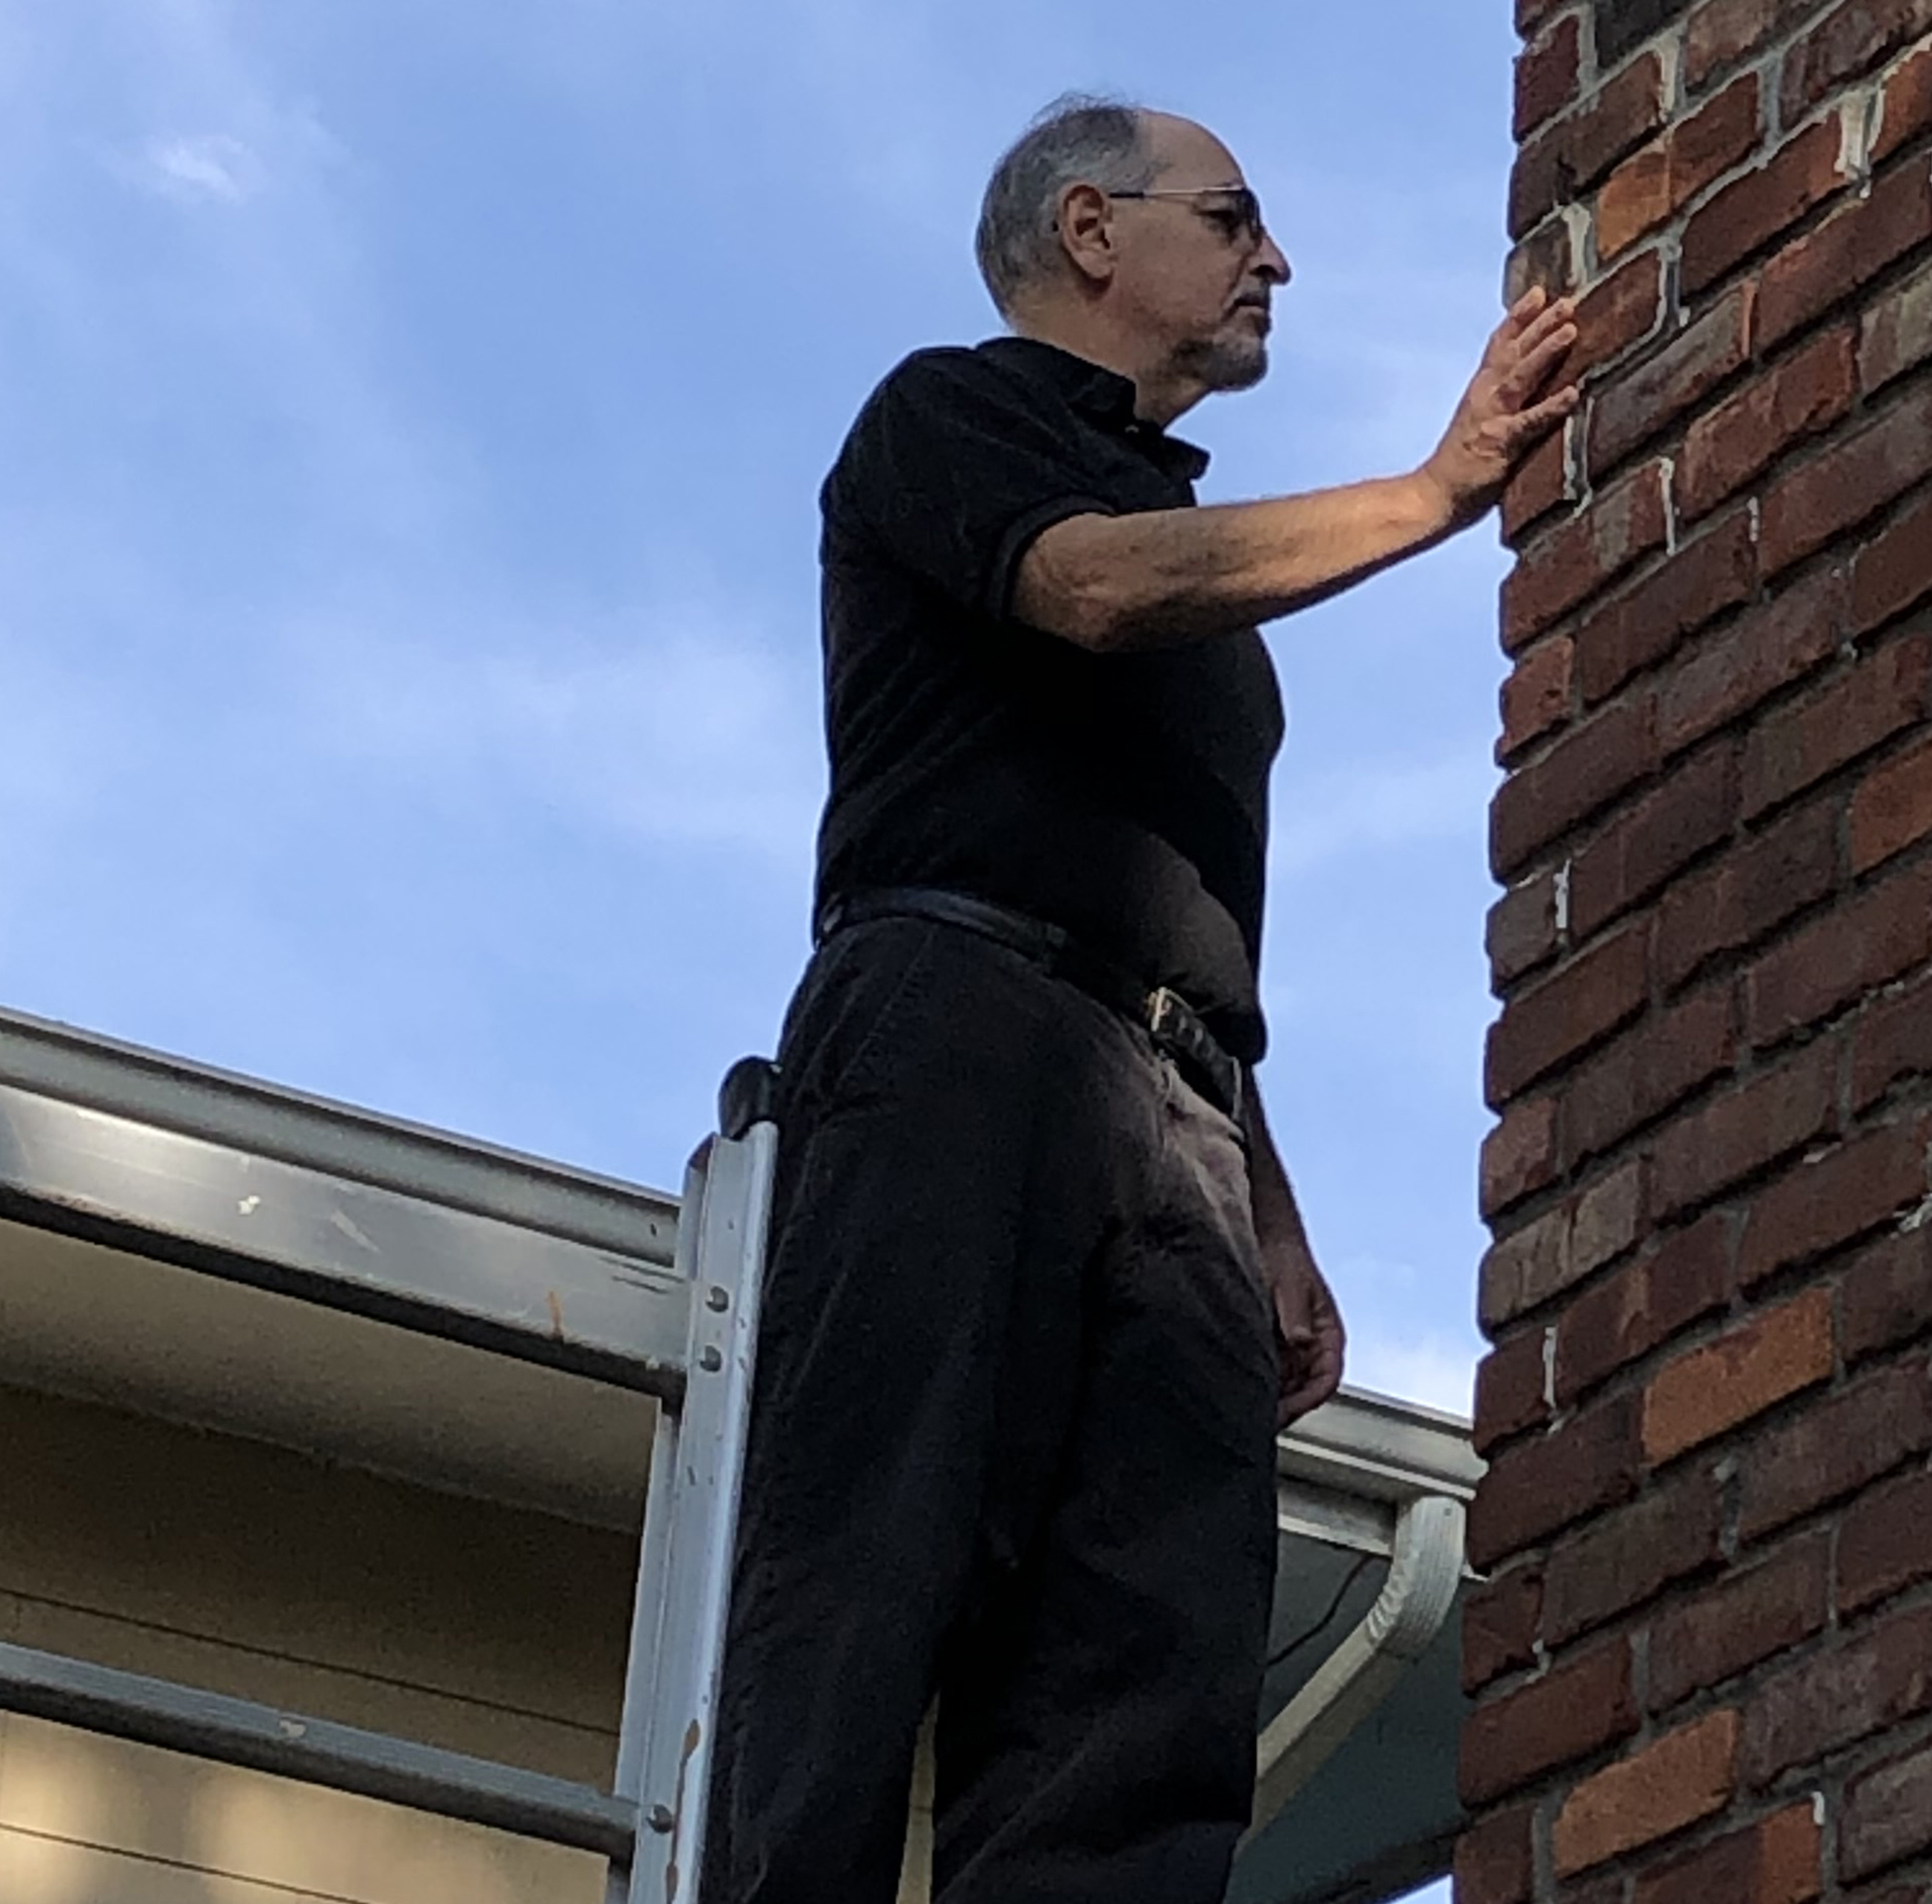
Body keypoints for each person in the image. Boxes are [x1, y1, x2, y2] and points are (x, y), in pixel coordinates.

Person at [701, 93, 1578, 1904]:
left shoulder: (1208, 599)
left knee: (1151, 1676)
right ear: (1091, 231)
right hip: (952, 1031)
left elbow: (1168, 902)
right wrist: (1433, 494)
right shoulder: (949, 417)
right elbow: (1086, 589)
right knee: (869, 1584)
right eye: (1237, 216)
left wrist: (1263, 1204)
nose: (1277, 258)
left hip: (1170, 1111)